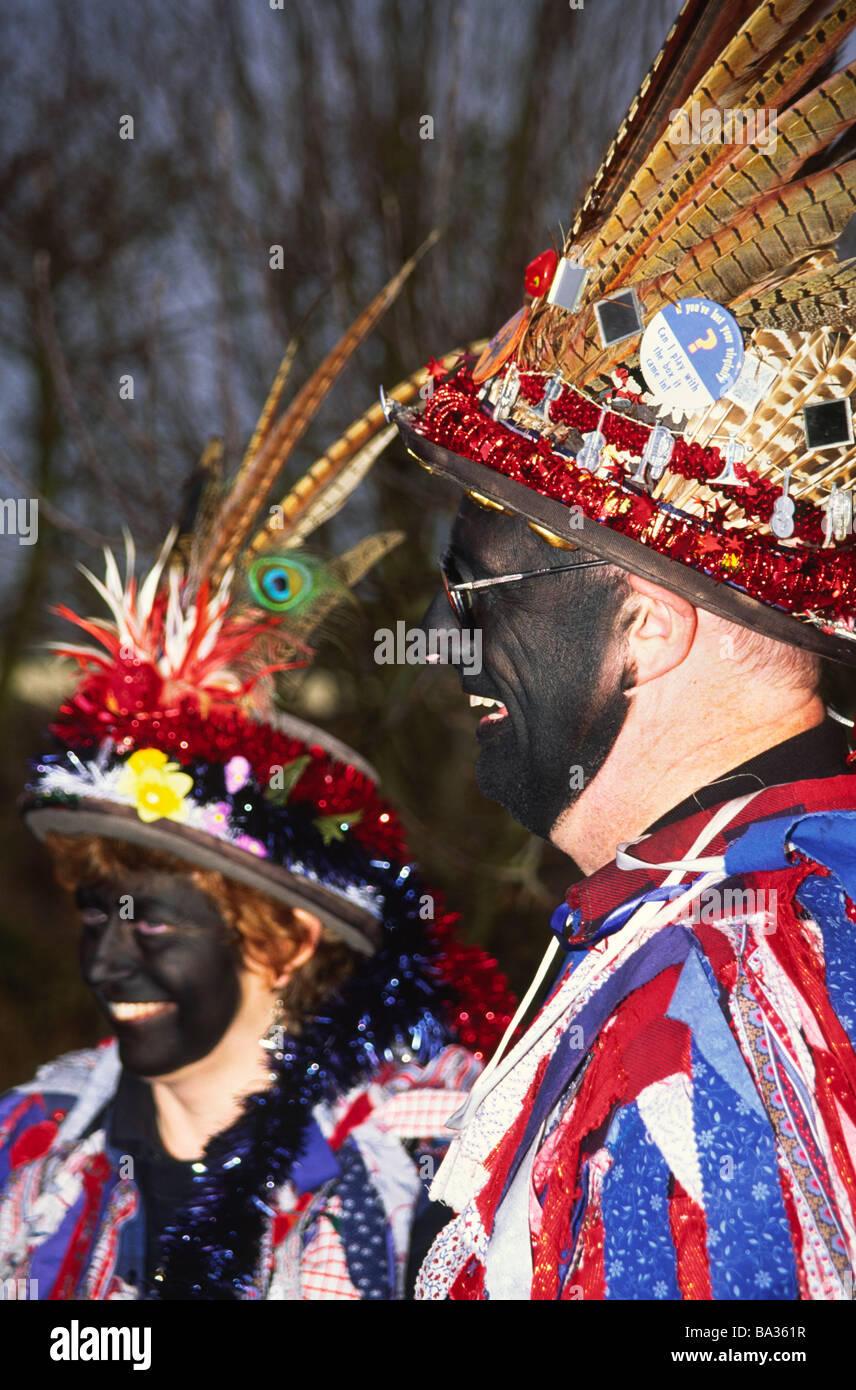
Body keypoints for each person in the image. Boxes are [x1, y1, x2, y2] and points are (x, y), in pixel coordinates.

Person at [389, 0, 856, 1300]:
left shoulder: (713, 1012)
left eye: (480, 592)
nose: (449, 641)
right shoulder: (741, 923)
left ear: (652, 618)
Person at [0, 264, 514, 1301]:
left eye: (151, 924)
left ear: (285, 937)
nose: (105, 959)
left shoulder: (443, 1157)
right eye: (98, 912)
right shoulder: (35, 1150)